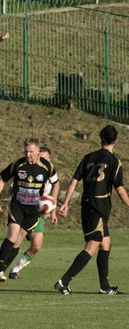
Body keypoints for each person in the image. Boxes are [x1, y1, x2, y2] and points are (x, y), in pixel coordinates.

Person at [55, 125, 129, 295]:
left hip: (88, 205)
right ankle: (63, 281)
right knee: (92, 246)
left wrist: (66, 203)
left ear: (100, 139)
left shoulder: (88, 157)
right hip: (99, 208)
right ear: (116, 141)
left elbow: (74, 181)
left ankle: (104, 287)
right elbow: (120, 189)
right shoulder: (114, 161)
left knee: (106, 243)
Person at [0, 146, 59, 280]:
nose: (41, 160)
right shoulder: (24, 169)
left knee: (36, 246)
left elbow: (53, 196)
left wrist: (51, 211)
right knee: (13, 238)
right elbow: (12, 186)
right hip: (22, 208)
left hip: (37, 213)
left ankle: (14, 269)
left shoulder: (49, 173)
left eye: (45, 158)